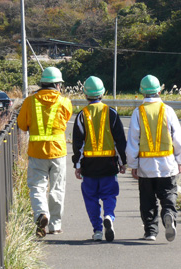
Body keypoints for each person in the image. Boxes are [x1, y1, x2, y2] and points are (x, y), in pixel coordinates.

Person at [126, 75, 181, 242]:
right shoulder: (168, 110)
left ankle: (151, 231)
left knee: (147, 200)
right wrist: (180, 160)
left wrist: (133, 164)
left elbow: (133, 141)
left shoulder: (138, 112)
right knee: (168, 194)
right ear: (159, 90)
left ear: (142, 92)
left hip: (146, 166)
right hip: (167, 163)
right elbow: (179, 140)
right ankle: (168, 214)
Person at [17, 66, 72, 238]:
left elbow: (21, 125)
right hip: (58, 152)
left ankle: (42, 214)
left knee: (37, 187)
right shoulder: (65, 102)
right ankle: (55, 225)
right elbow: (66, 119)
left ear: (42, 83)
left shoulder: (29, 101)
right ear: (57, 85)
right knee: (57, 188)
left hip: (37, 152)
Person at [72, 76, 127, 242]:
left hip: (89, 165)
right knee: (109, 194)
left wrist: (77, 164)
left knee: (91, 198)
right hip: (109, 163)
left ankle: (97, 230)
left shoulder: (82, 115)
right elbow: (119, 141)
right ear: (103, 92)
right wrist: (122, 162)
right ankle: (109, 216)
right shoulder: (112, 113)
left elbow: (78, 144)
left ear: (85, 94)